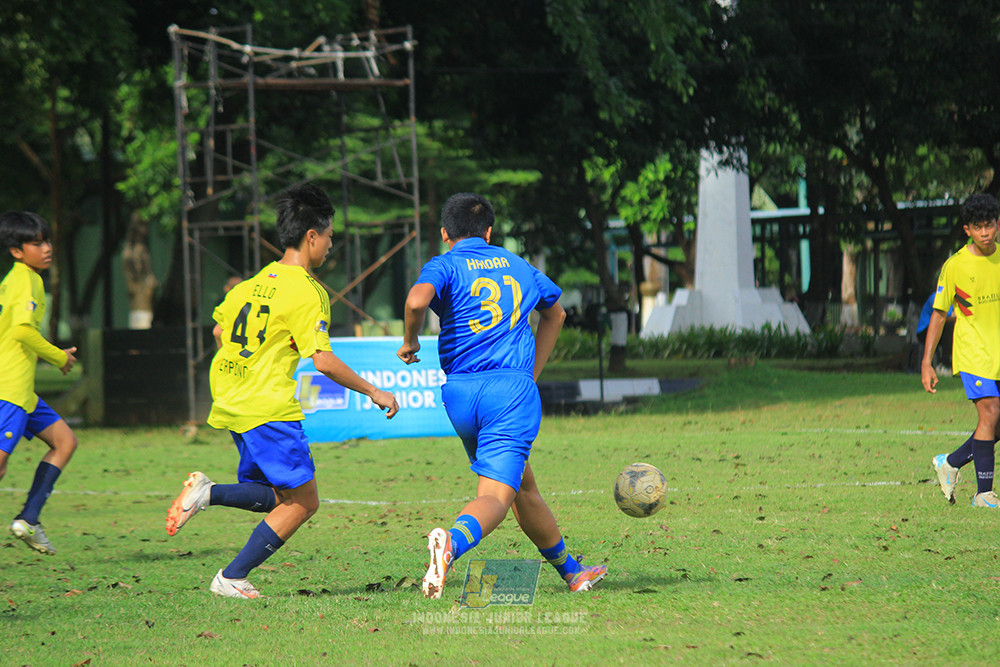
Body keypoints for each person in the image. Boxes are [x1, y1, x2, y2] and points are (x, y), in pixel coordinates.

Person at [165, 183, 400, 598]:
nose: (330, 245)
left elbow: (221, 331)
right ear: (312, 236)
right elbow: (322, 359)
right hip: (268, 406)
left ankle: (208, 493)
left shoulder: (250, 284)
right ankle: (232, 576)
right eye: (329, 236)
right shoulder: (309, 291)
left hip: (233, 401)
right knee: (304, 502)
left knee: (276, 495)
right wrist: (375, 392)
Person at [397, 192, 606, 599]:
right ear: (489, 232)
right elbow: (556, 312)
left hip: (460, 395)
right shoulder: (517, 264)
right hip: (508, 393)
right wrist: (530, 375)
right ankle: (450, 545)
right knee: (494, 495)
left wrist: (410, 341)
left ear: (445, 233)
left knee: (523, 486)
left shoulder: (444, 263)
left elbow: (416, 300)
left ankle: (573, 571)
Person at [0, 211, 79, 555]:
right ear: (17, 251)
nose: (46, 248)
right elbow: (21, 330)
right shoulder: (24, 280)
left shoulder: (24, 277)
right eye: (36, 243)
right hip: (9, 389)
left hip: (21, 390)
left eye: (46, 240)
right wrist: (59, 357)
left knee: (64, 441)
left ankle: (29, 518)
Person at [924, 193, 1000, 508]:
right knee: (991, 412)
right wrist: (927, 362)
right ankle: (984, 494)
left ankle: (951, 462)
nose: (985, 232)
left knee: (995, 423)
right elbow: (939, 313)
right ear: (967, 229)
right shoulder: (955, 265)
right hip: (972, 355)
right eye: (978, 226)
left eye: (990, 225)